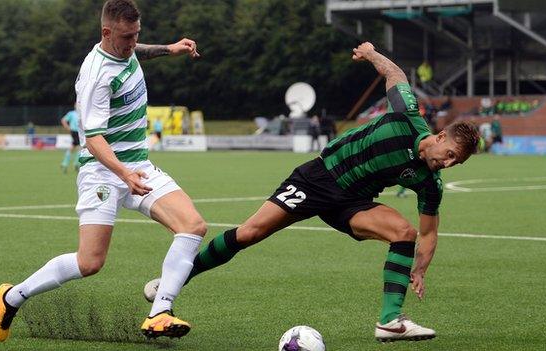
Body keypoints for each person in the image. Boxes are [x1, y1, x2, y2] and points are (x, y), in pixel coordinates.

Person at [146, 42, 480, 342]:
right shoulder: (406, 116)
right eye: (450, 154)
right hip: (317, 179)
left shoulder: (428, 182)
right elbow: (395, 73)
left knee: (403, 232)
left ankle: (390, 321)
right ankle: (175, 281)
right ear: (439, 137)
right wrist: (370, 53)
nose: (449, 164)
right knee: (249, 233)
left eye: (457, 163)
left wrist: (420, 269)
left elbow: (428, 231)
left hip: (352, 202)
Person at [0, 0, 205, 342]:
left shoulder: (126, 47)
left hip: (137, 167)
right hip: (103, 173)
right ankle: (12, 297)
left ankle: (159, 312)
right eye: (126, 37)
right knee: (90, 262)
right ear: (107, 32)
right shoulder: (97, 76)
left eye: (136, 35)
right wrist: (124, 174)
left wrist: (170, 49)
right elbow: (92, 139)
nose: (133, 43)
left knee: (193, 226)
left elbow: (138, 52)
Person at [60, 105, 81, 173]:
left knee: (73, 146)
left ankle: (64, 163)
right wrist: (68, 128)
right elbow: (63, 120)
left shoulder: (73, 113)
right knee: (79, 147)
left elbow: (63, 120)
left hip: (76, 132)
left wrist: (68, 128)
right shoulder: (74, 113)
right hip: (76, 132)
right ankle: (76, 164)